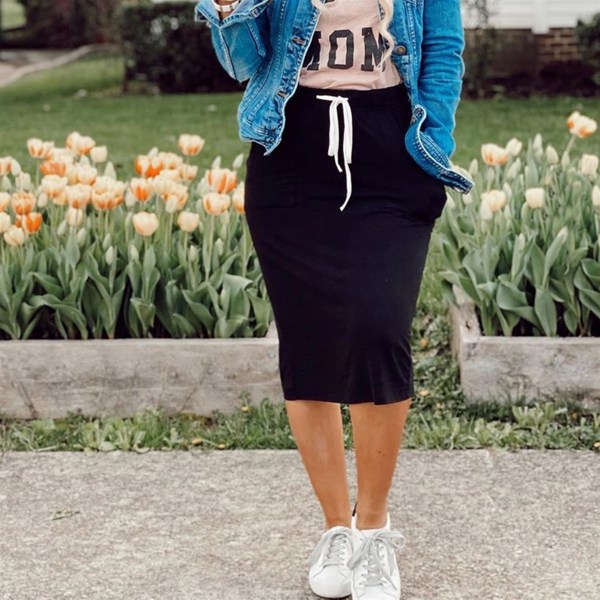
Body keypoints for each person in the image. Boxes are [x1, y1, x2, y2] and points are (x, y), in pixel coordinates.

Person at [194, 1, 474, 598]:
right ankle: (336, 530)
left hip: (391, 147)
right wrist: (229, 10)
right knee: (309, 343)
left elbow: (443, 51)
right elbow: (243, 64)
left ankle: (373, 530)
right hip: (291, 153)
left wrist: (433, 141)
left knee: (378, 329)